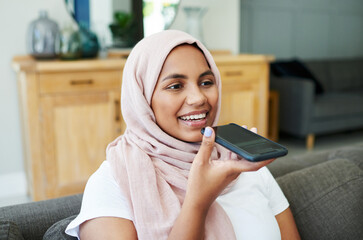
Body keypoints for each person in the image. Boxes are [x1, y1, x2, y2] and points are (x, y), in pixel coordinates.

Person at [65, 30, 300, 239]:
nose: (199, 98)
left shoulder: (245, 165)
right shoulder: (112, 182)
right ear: (142, 99)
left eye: (206, 82)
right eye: (175, 86)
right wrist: (198, 202)